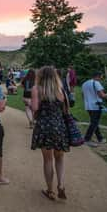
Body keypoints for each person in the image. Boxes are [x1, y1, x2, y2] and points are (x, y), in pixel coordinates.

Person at [31, 66, 71, 201]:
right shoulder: (61, 91)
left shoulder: (37, 89)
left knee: (48, 160)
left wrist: (35, 110)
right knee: (60, 158)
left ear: (40, 76)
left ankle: (50, 190)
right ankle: (61, 185)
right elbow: (66, 111)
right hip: (59, 127)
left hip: (44, 127)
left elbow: (35, 109)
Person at [81, 71, 107, 147]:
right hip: (96, 106)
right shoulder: (97, 83)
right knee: (94, 123)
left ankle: (100, 138)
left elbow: (83, 95)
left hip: (88, 106)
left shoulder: (84, 83)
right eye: (101, 76)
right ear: (98, 76)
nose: (102, 78)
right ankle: (86, 139)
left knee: (94, 122)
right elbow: (101, 95)